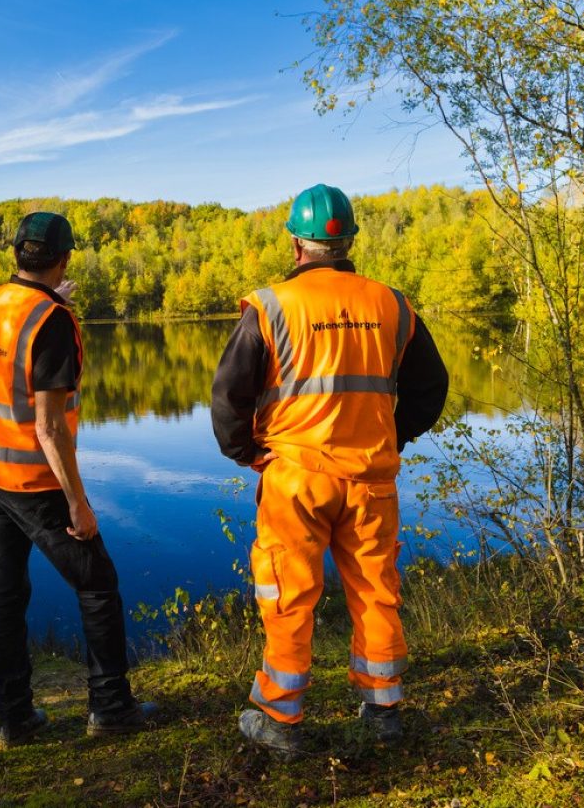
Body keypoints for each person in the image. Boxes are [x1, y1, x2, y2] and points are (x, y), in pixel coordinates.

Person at [211, 183, 448, 756]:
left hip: (295, 477)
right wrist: (393, 434)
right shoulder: (391, 303)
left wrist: (245, 452)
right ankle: (382, 709)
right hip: (370, 478)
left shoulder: (270, 306)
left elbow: (228, 396)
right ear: (348, 242)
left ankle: (280, 718)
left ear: (296, 243)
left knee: (288, 595)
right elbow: (431, 388)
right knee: (375, 589)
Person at [0, 211, 156, 750]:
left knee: (6, 595)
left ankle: (14, 719)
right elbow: (49, 427)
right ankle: (112, 708)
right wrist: (78, 503)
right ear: (64, 258)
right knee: (98, 585)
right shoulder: (50, 322)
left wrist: (53, 300)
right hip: (34, 480)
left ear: (17, 255)